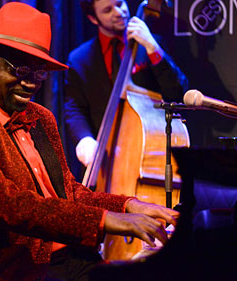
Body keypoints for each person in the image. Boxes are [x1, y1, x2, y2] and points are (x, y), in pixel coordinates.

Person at [0, 2, 179, 281]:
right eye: (20, 69)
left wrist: (130, 205)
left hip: (51, 260)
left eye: (39, 72)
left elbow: (68, 192)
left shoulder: (39, 117)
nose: (30, 83)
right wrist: (107, 221)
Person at [64, 0, 189, 178]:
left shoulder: (152, 45)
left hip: (151, 157)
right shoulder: (79, 59)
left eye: (120, 3)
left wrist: (152, 47)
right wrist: (84, 139)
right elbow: (74, 107)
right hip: (105, 164)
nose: (118, 12)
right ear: (93, 19)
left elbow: (178, 93)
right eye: (107, 10)